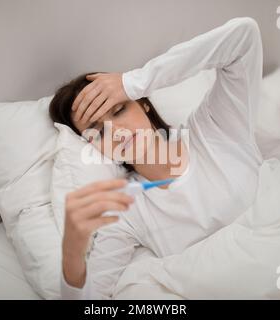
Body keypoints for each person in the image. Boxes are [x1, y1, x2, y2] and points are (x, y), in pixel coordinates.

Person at [49, 17, 264, 299]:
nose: (117, 132)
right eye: (98, 131)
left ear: (144, 103)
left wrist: (132, 82)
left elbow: (244, 35)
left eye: (118, 110)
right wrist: (72, 253)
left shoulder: (216, 126)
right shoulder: (126, 211)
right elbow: (91, 303)